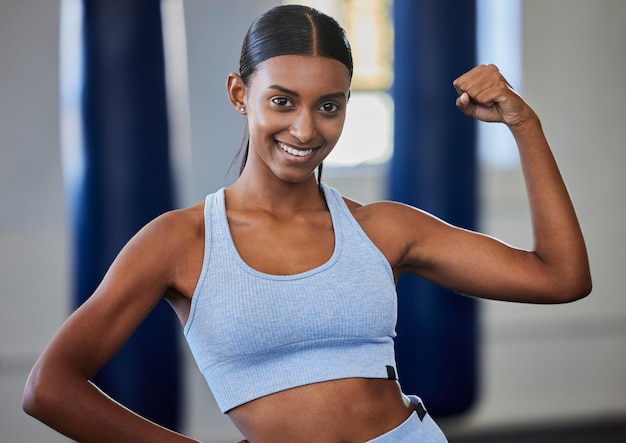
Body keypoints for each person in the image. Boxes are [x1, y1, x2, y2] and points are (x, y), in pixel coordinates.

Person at [22, 4, 591, 443]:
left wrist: (524, 124)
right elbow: (49, 387)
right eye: (282, 101)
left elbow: (560, 277)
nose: (305, 130)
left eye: (329, 106)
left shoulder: (382, 230)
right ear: (240, 94)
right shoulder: (181, 241)